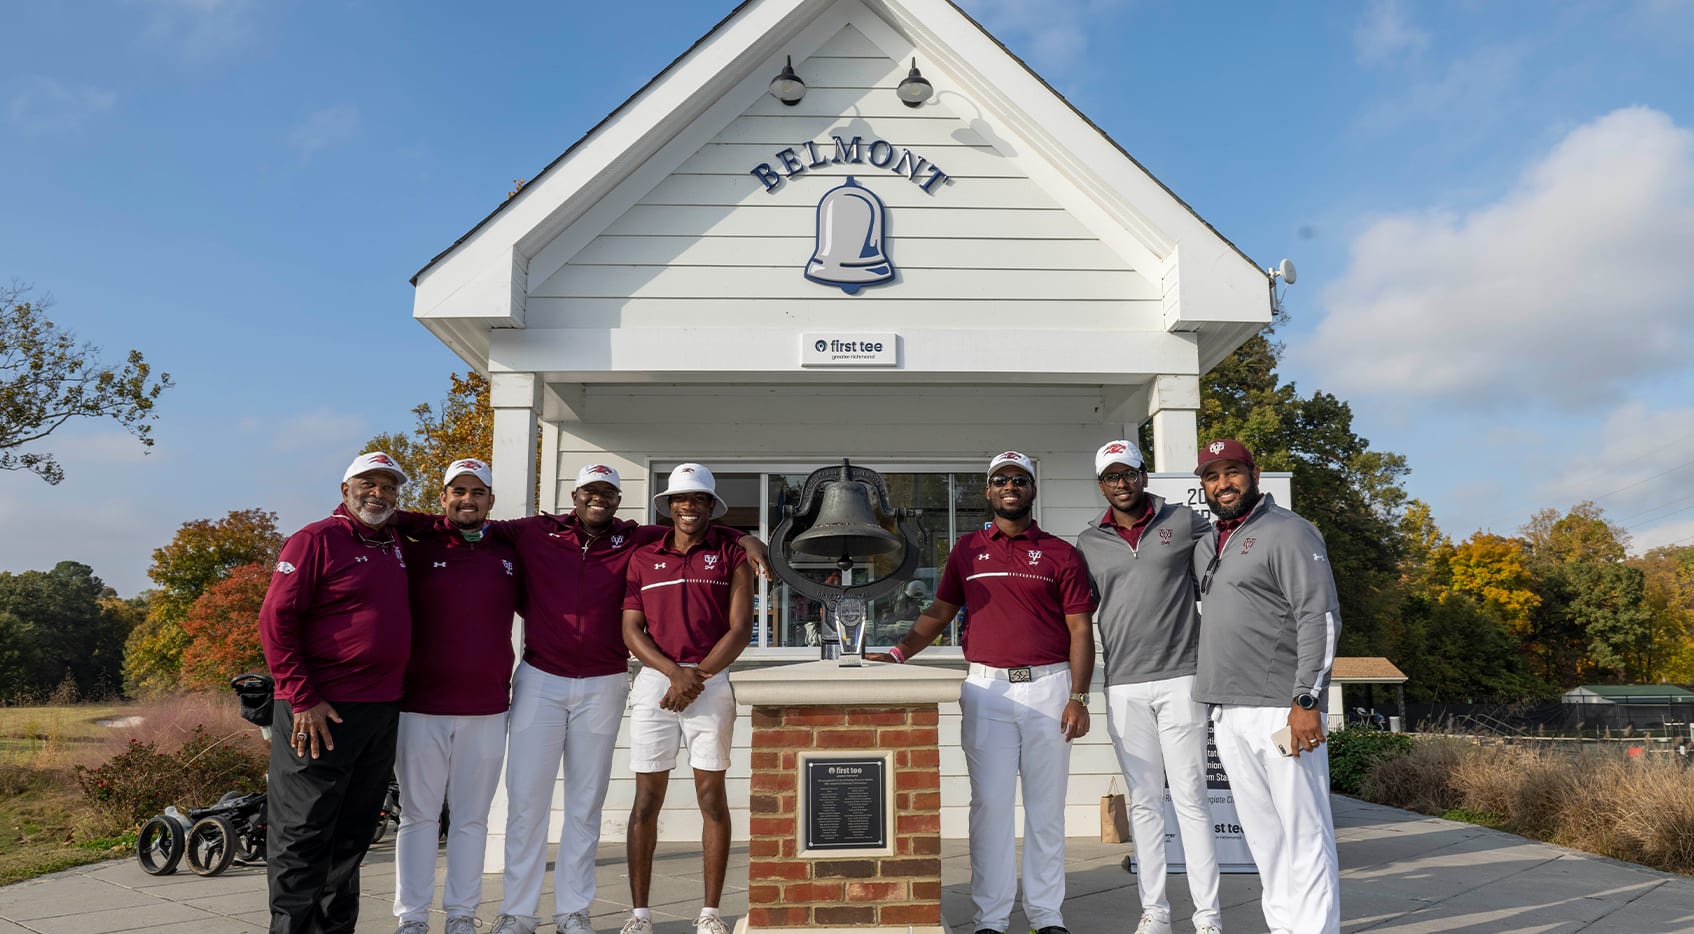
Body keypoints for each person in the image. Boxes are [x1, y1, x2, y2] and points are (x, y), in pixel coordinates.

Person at [461, 465, 766, 934]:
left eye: (607, 492)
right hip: (560, 677)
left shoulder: (641, 539)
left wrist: (746, 538)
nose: (598, 498)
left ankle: (581, 911)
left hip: (631, 681)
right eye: (590, 490)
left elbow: (728, 594)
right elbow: (468, 519)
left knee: (596, 802)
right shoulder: (549, 533)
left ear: (619, 500)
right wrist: (675, 674)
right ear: (575, 495)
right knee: (534, 801)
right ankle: (523, 913)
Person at [869, 451, 1095, 934]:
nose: (1010, 486)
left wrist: (1079, 696)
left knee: (1046, 809)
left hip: (1049, 688)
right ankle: (991, 918)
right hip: (987, 690)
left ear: (1032, 490)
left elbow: (1080, 629)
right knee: (990, 807)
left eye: (1020, 480)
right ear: (988, 491)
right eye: (1000, 480)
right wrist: (898, 653)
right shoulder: (968, 549)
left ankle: (1046, 915)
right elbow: (939, 611)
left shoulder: (1061, 553)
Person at [1192, 439, 1342, 934]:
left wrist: (1306, 699)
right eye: (1212, 476)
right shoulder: (1210, 543)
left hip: (1282, 710)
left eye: (1232, 472)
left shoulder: (1289, 531)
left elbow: (1319, 617)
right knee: (1264, 838)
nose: (1223, 484)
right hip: (1228, 711)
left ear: (1254, 474)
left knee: (1304, 831)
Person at [259, 452, 412, 934]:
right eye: (368, 484)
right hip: (319, 709)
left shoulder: (392, 541)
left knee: (353, 833)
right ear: (345, 489)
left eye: (389, 486)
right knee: (303, 832)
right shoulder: (315, 539)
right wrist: (301, 697)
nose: (378, 494)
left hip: (380, 709)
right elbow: (275, 619)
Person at [1074, 441, 1222, 934]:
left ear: (1144, 476)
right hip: (1124, 685)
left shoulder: (1184, 521)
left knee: (1191, 798)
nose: (1121, 483)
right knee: (1144, 801)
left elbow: (1220, 575)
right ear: (1101, 485)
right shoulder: (1088, 541)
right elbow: (1078, 616)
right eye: (1111, 476)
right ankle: (1155, 912)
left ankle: (1208, 917)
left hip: (1183, 677)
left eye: (1129, 473)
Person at [619, 464, 755, 934]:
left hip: (709, 680)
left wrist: (696, 676)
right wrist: (674, 674)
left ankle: (710, 913)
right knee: (645, 800)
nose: (688, 506)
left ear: (711, 506)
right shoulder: (643, 556)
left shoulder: (731, 554)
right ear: (669, 505)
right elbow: (631, 629)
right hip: (657, 681)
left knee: (711, 797)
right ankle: (639, 915)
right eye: (680, 498)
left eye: (698, 498)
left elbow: (741, 629)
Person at [391, 458, 521, 934]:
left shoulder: (509, 553)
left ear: (491, 500)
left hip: (486, 708)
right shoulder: (415, 548)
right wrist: (429, 523)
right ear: (442, 497)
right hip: (420, 706)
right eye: (458, 491)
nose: (468, 499)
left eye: (478, 492)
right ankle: (412, 917)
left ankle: (462, 915)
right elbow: (381, 514)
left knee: (471, 819)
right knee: (418, 816)